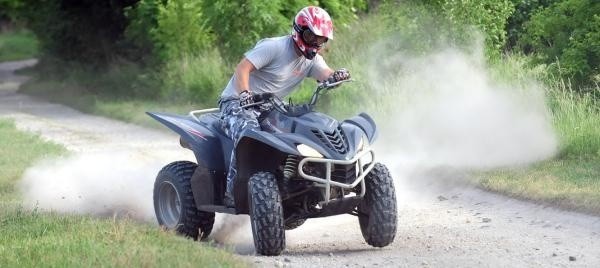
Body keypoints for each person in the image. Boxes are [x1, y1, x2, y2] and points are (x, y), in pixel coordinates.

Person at [218, 6, 351, 207]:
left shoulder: (311, 60)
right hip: (236, 103)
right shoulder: (275, 47)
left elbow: (326, 74)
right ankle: (233, 192)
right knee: (249, 132)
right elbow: (242, 68)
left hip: (269, 106)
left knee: (298, 131)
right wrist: (245, 94)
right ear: (298, 31)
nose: (315, 43)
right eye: (311, 36)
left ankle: (295, 183)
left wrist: (337, 77)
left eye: (321, 39)